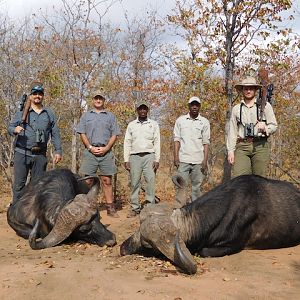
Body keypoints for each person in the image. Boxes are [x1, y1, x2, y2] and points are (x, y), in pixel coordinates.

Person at [8, 81, 62, 203]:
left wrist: (58, 151)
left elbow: (55, 133)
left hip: (40, 155)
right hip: (22, 153)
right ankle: (16, 213)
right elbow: (10, 127)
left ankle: (33, 214)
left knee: (38, 186)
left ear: (43, 96)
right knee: (19, 185)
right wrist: (14, 130)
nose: (37, 96)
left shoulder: (49, 113)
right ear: (31, 96)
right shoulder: (22, 112)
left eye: (40, 94)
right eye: (35, 93)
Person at [76, 91, 121, 218]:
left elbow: (114, 134)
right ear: (93, 100)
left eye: (100, 98)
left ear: (103, 100)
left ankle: (110, 208)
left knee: (107, 180)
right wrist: (90, 147)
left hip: (106, 152)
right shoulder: (86, 116)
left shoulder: (110, 116)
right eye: (96, 98)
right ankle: (86, 208)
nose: (98, 100)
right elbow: (82, 133)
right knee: (88, 181)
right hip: (90, 152)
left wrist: (106, 148)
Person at [226, 76, 278, 177]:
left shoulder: (265, 106)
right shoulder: (236, 109)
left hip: (260, 145)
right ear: (242, 90)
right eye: (246, 88)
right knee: (240, 180)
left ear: (255, 90)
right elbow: (232, 131)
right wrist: (230, 151)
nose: (248, 91)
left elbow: (274, 125)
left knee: (260, 181)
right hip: (242, 146)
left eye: (251, 88)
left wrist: (265, 128)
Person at [123, 100, 160, 218]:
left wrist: (157, 159)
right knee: (134, 182)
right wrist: (126, 159)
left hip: (149, 156)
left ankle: (150, 207)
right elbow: (127, 142)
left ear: (147, 110)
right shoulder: (131, 125)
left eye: (145, 109)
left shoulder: (153, 124)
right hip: (134, 157)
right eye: (140, 109)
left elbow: (157, 141)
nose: (143, 111)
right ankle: (135, 208)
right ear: (137, 110)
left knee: (150, 181)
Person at [173, 96, 210, 202]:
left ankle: (195, 211)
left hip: (198, 160)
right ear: (189, 106)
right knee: (181, 186)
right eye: (192, 105)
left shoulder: (204, 122)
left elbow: (206, 142)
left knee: (196, 188)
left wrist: (205, 161)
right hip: (183, 159)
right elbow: (177, 140)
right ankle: (180, 209)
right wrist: (176, 157)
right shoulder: (180, 120)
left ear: (199, 106)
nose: (194, 107)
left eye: (196, 105)